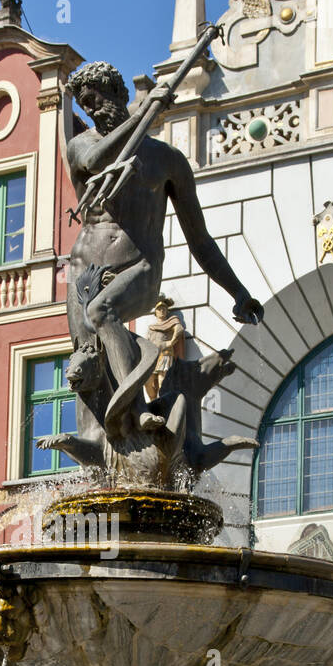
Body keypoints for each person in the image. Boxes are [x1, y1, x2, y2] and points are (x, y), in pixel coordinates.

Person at [65, 61, 263, 439]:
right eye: (84, 104)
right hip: (83, 270)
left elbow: (200, 241)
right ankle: (97, 463)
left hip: (137, 265)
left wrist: (238, 292)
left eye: (95, 99)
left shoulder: (168, 161)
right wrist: (140, 116)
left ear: (119, 94)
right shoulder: (83, 145)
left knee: (103, 310)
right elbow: (96, 162)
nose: (91, 110)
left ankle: (136, 409)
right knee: (89, 378)